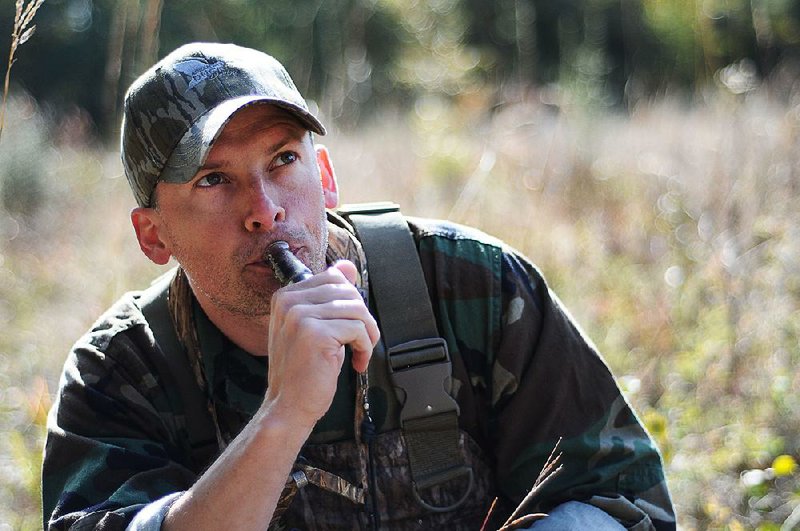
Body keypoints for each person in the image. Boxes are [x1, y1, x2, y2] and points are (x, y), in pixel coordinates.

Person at [42, 42, 676, 530]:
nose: (264, 209)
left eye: (282, 160)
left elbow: (620, 501)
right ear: (154, 236)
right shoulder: (121, 372)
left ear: (324, 174)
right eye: (214, 180)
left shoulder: (470, 287)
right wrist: (283, 417)